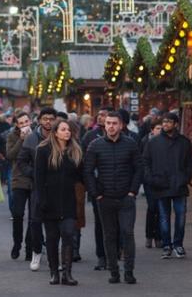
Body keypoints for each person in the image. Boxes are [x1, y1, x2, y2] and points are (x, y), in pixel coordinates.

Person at [83, 110, 140, 285]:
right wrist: (96, 194)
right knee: (109, 235)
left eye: (114, 123)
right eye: (108, 123)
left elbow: (139, 168)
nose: (111, 126)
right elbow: (87, 171)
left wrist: (133, 192)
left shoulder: (131, 144)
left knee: (127, 233)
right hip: (104, 198)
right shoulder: (95, 145)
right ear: (104, 125)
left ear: (121, 125)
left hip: (126, 198)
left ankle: (129, 272)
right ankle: (113, 271)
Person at [35, 119, 83, 286]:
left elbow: (81, 176)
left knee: (69, 234)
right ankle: (54, 273)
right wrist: (41, 200)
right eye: (63, 129)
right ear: (55, 132)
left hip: (69, 201)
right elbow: (38, 178)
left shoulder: (75, 151)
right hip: (49, 201)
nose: (67, 132)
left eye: (69, 129)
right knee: (52, 238)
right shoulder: (43, 150)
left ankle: (67, 273)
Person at [142, 111, 192, 261]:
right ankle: (166, 245)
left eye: (168, 122)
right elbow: (145, 162)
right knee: (164, 217)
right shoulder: (153, 142)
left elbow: (190, 163)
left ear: (176, 124)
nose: (165, 124)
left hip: (179, 185)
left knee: (181, 216)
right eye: (163, 122)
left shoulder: (184, 142)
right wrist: (151, 179)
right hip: (161, 184)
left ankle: (178, 244)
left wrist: (185, 178)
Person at [18, 107, 58, 271]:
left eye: (51, 119)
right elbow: (22, 162)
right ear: (39, 120)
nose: (48, 122)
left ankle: (53, 255)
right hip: (37, 187)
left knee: (54, 223)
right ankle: (36, 251)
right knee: (35, 221)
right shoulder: (31, 139)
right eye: (45, 118)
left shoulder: (60, 136)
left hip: (57, 187)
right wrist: (34, 174)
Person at [79, 107, 110, 269]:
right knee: (100, 223)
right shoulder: (90, 137)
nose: (101, 118)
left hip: (119, 190)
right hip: (98, 188)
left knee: (116, 224)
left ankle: (114, 252)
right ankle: (102, 256)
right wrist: (92, 189)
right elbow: (85, 164)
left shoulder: (124, 139)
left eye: (105, 116)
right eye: (99, 116)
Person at [5, 112, 34, 261]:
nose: (24, 125)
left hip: (35, 180)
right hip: (18, 179)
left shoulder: (37, 135)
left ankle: (30, 247)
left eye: (26, 122)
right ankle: (17, 244)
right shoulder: (12, 136)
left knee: (33, 217)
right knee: (18, 214)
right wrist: (21, 140)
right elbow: (10, 155)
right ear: (17, 125)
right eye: (21, 123)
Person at [141, 118, 163, 248]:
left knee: (161, 209)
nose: (160, 131)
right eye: (157, 128)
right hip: (149, 180)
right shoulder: (145, 141)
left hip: (161, 180)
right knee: (152, 207)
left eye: (161, 128)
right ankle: (149, 235)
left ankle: (159, 237)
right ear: (152, 130)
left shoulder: (165, 142)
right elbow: (141, 161)